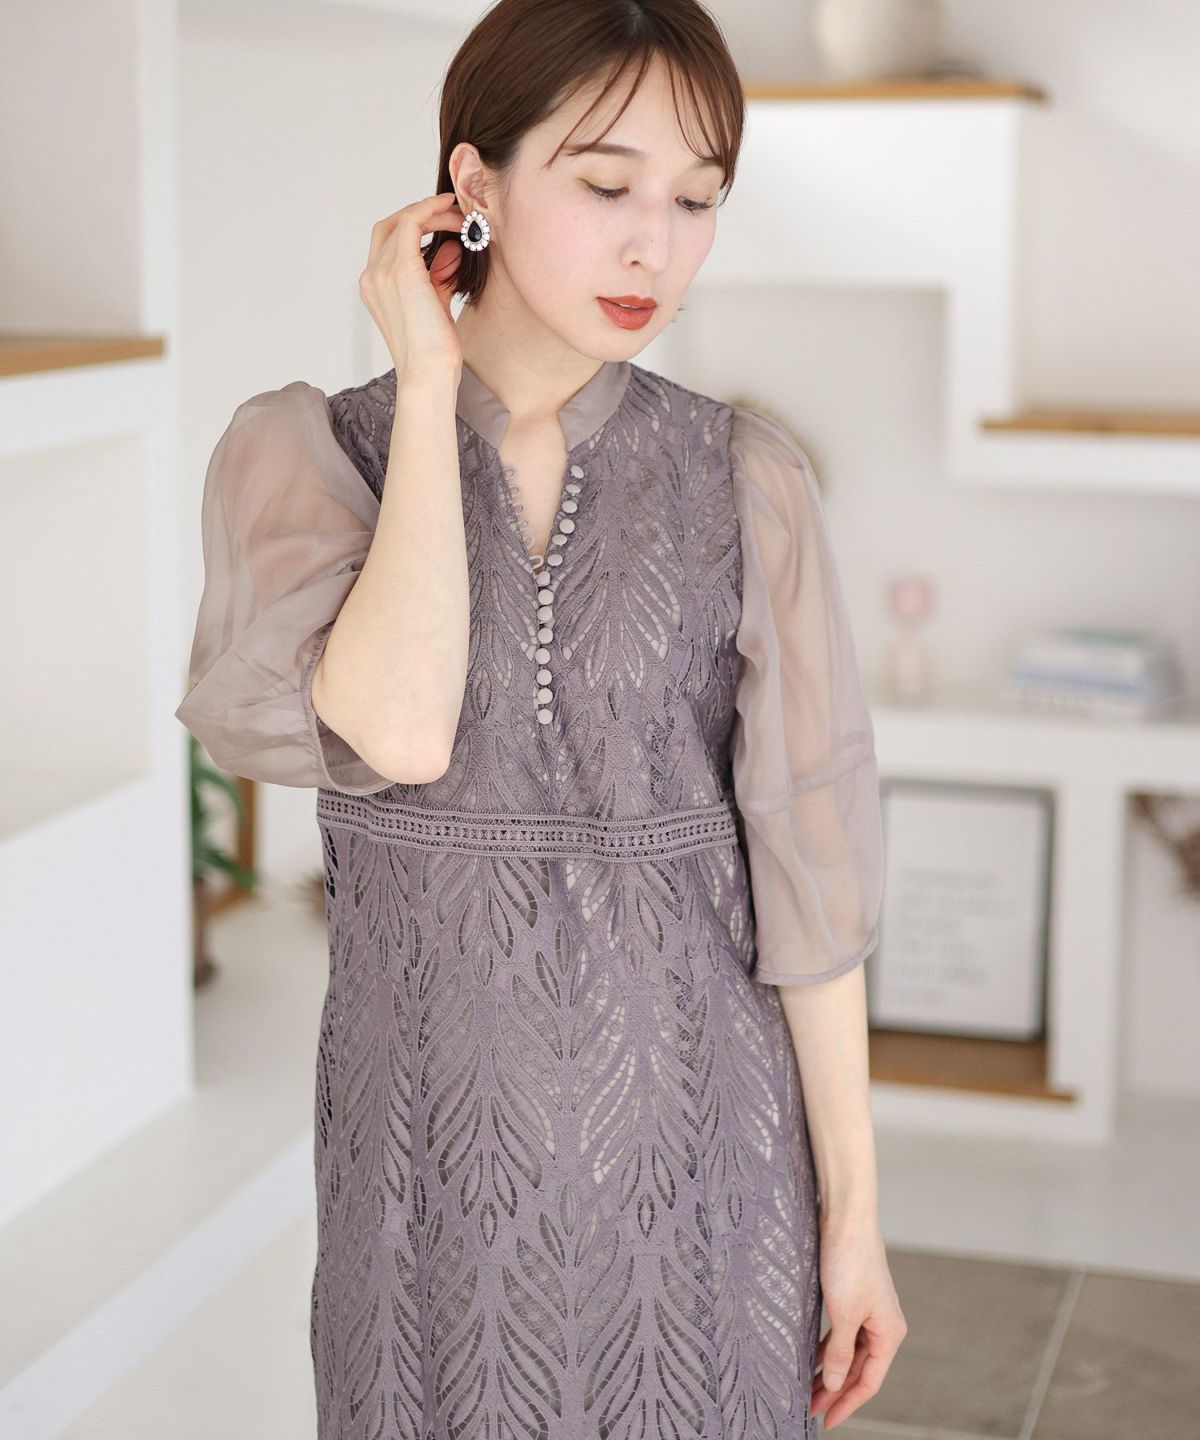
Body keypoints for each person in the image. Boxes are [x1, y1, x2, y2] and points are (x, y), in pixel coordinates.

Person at [175, 0, 907, 1434]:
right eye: (608, 185)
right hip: (425, 1185)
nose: (657, 247)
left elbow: (812, 887)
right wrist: (431, 383)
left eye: (697, 199)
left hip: (706, 1167)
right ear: (476, 184)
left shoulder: (747, 479)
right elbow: (401, 734)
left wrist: (857, 1222)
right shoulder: (312, 455)